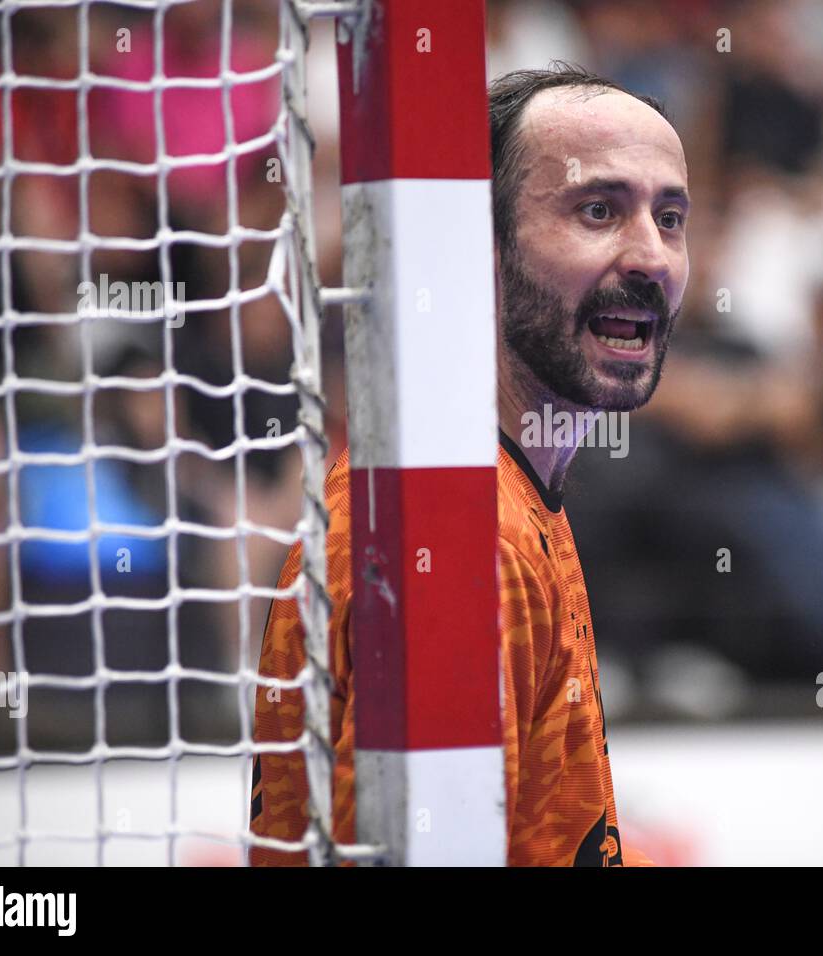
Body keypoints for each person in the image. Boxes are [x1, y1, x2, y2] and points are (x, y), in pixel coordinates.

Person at [250, 63, 689, 866]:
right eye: (599, 210)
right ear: (476, 247)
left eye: (670, 217)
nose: (651, 256)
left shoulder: (503, 495)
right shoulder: (459, 537)